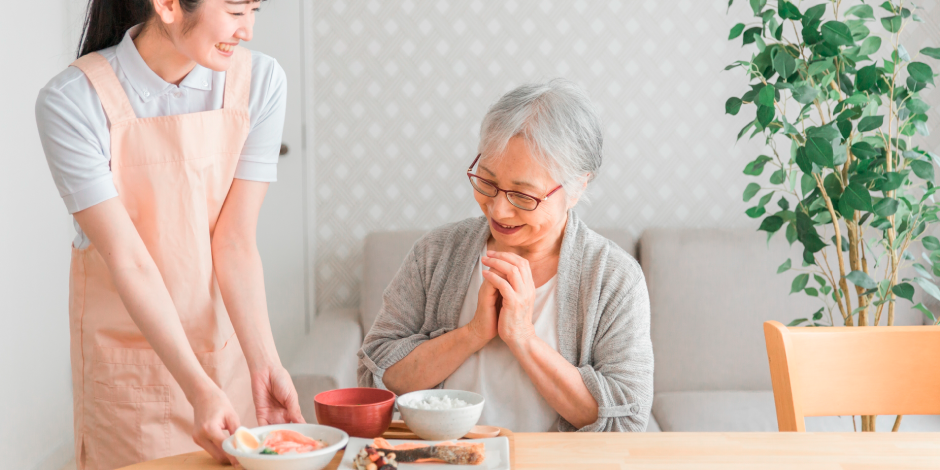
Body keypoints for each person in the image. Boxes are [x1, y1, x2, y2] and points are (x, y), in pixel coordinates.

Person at [35, 1, 303, 468]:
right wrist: (197, 386)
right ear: (169, 6)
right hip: (131, 379)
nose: (249, 31)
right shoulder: (73, 100)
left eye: (255, 10)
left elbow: (235, 241)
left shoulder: (259, 82)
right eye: (236, 10)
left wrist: (266, 365)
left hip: (227, 357)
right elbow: (129, 260)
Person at [357, 79, 654, 432]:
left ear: (578, 187)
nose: (499, 210)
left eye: (523, 196)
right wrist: (472, 334)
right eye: (487, 182)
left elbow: (627, 419)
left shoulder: (614, 278)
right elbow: (374, 379)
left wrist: (523, 338)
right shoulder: (435, 253)